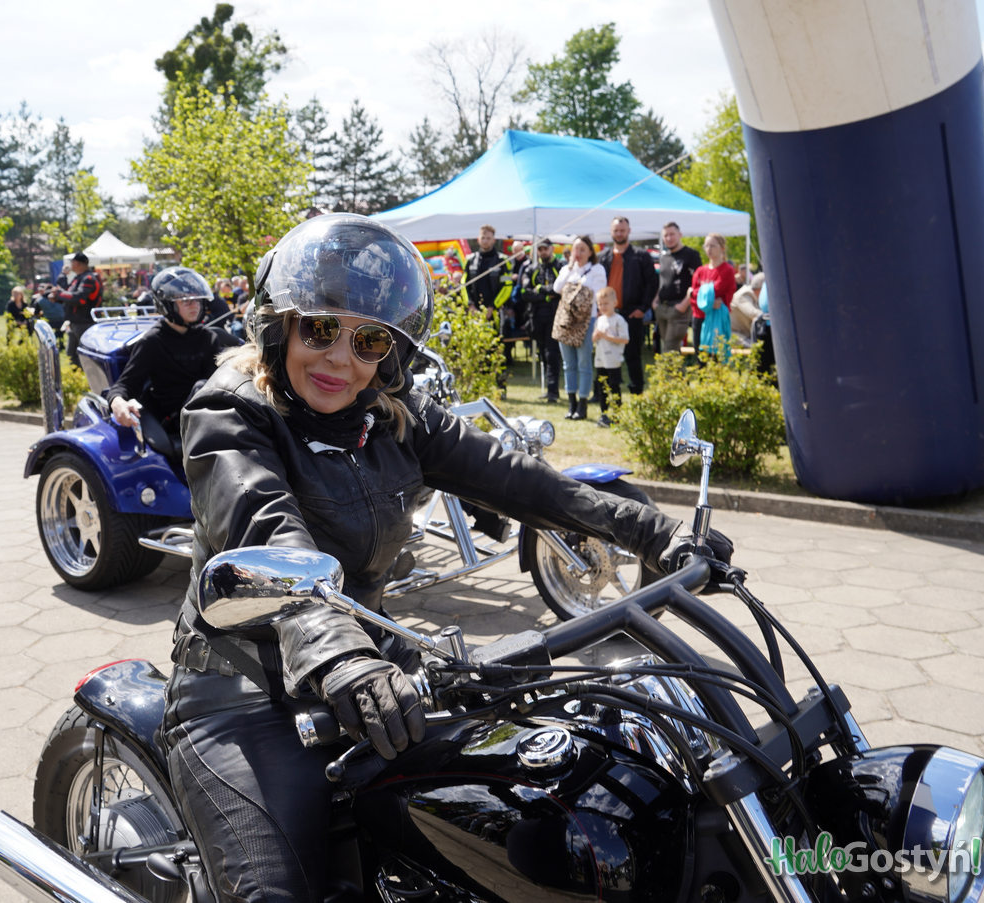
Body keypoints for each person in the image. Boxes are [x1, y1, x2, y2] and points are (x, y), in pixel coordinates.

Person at [164, 212, 726, 903]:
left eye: (369, 339)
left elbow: (522, 481)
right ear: (280, 325)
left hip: (374, 670)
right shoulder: (230, 414)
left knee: (515, 803)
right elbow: (267, 529)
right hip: (246, 690)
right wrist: (343, 657)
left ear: (391, 353)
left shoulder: (393, 414)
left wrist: (653, 532)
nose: (340, 358)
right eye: (320, 329)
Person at [105, 267, 240, 436]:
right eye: (185, 301)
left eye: (197, 300)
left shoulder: (207, 338)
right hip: (176, 421)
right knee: (201, 386)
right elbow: (125, 384)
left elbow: (220, 382)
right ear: (166, 304)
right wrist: (117, 401)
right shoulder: (153, 341)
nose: (194, 305)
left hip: (211, 415)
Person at [598, 217, 658, 394]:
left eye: (622, 230)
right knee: (604, 355)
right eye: (616, 230)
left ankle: (637, 391)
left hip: (632, 313)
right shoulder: (603, 257)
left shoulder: (641, 256)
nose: (619, 234)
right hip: (607, 315)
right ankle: (604, 393)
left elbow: (652, 283)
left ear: (629, 231)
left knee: (633, 355)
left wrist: (643, 308)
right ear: (611, 232)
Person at [552, 235, 607, 420]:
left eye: (583, 249)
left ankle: (583, 404)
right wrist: (570, 268)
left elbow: (597, 293)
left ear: (590, 252)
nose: (579, 253)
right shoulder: (567, 269)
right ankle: (571, 403)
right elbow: (557, 288)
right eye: (576, 249)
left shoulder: (597, 270)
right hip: (566, 322)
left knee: (584, 363)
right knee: (568, 364)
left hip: (586, 321)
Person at [514, 237, 563, 403]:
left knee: (552, 354)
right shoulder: (531, 268)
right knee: (542, 354)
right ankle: (548, 390)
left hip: (555, 317)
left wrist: (541, 289)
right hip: (536, 318)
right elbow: (525, 293)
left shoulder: (560, 266)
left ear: (551, 249)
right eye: (540, 249)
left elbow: (560, 290)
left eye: (545, 249)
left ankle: (553, 391)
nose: (542, 252)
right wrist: (547, 296)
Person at [653, 222, 702, 354]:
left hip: (679, 308)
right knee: (666, 346)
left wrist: (684, 304)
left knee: (670, 348)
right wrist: (655, 301)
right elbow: (662, 281)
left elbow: (698, 282)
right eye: (666, 235)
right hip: (662, 307)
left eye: (672, 234)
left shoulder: (691, 254)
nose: (669, 238)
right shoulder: (664, 257)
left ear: (680, 235)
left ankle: (669, 369)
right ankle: (674, 369)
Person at [688, 233, 738, 360]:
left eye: (712, 245)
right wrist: (707, 300)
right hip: (699, 317)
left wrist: (697, 294)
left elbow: (717, 290)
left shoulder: (727, 270)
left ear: (722, 248)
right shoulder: (700, 271)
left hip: (716, 319)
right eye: (706, 246)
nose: (709, 249)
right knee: (700, 357)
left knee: (716, 358)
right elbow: (693, 296)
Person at [49, 251, 102, 367]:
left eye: (72, 262)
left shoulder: (88, 278)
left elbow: (79, 299)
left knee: (85, 356)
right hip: (75, 322)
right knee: (71, 354)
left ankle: (86, 376)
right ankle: (77, 375)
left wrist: (59, 294)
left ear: (77, 263)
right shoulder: (78, 278)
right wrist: (57, 298)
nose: (71, 264)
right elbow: (69, 295)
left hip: (85, 323)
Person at [591, 286, 628, 428]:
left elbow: (625, 339)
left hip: (613, 360)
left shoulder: (619, 320)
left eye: (606, 303)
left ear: (615, 303)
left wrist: (607, 336)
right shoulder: (599, 320)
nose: (603, 307)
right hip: (600, 360)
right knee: (602, 388)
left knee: (614, 387)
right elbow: (594, 338)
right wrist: (596, 336)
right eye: (600, 304)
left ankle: (617, 415)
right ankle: (604, 414)